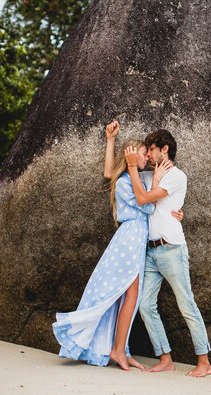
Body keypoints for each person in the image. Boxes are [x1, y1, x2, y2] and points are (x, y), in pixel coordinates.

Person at [52, 133, 176, 371]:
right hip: (129, 239)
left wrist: (111, 140)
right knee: (130, 295)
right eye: (143, 152)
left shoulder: (137, 176)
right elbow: (147, 205)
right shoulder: (125, 182)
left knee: (130, 296)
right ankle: (118, 349)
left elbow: (110, 172)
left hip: (137, 239)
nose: (146, 156)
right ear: (131, 155)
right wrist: (151, 176)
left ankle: (121, 348)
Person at [106, 123, 211, 377]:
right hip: (150, 252)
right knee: (145, 305)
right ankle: (165, 358)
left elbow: (143, 199)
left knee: (186, 304)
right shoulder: (147, 175)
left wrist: (135, 170)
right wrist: (111, 140)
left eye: (152, 149)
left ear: (165, 150)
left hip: (171, 248)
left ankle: (204, 362)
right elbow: (112, 174)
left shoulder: (177, 177)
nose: (149, 154)